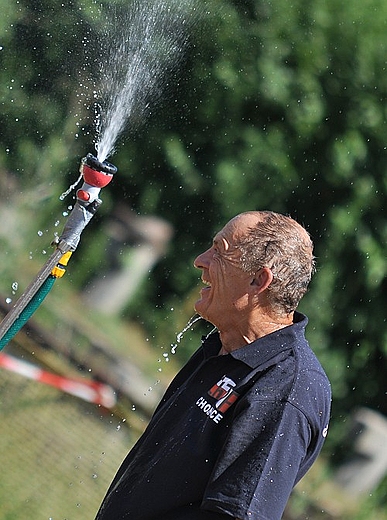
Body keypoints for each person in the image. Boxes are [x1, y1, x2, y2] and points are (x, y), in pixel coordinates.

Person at [95, 210, 331, 520]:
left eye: (219, 252)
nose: (199, 260)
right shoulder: (224, 347)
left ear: (259, 279)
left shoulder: (288, 387)